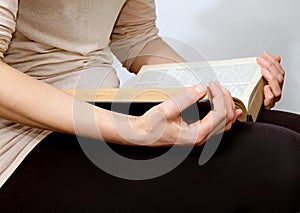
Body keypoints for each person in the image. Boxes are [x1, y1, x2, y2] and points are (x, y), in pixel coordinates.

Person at [0, 0, 299, 212]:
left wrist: (222, 92)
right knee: (282, 159)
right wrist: (134, 129)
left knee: (292, 134)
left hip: (103, 105)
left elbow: (136, 36)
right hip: (22, 139)